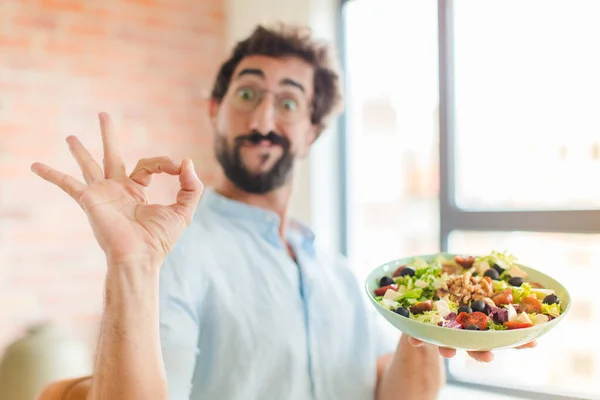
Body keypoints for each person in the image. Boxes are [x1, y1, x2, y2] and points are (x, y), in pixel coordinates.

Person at [31, 24, 534, 400]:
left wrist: (432, 319)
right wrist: (132, 267)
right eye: (247, 94)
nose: (264, 119)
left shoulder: (338, 270)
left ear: (312, 131)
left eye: (289, 103)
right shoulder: (173, 254)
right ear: (216, 110)